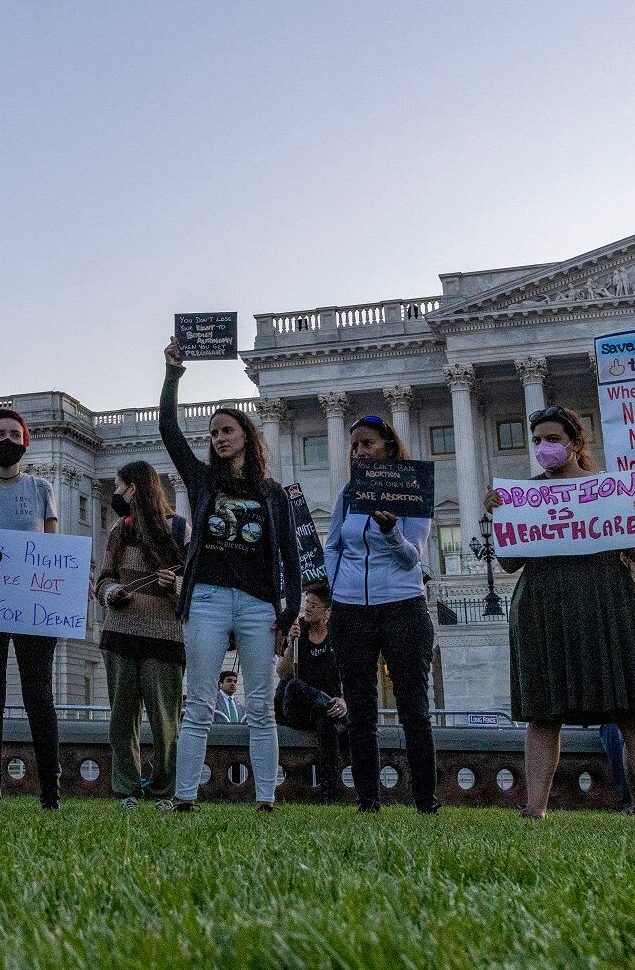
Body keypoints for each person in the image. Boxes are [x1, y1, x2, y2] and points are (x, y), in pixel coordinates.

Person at [485, 406, 635, 821]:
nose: (543, 448)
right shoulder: (522, 496)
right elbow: (509, 563)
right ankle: (535, 808)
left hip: (606, 603)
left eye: (552, 439)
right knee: (542, 714)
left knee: (633, 710)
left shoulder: (610, 489)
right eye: (536, 440)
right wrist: (497, 516)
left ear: (575, 443)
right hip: (544, 607)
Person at [161, 336, 301, 812]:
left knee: (260, 706)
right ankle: (184, 796)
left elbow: (290, 555)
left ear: (246, 435)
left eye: (227, 431)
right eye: (214, 434)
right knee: (198, 702)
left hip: (258, 601)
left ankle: (266, 797)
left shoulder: (271, 493)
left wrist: (291, 610)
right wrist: (173, 375)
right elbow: (168, 432)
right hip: (208, 598)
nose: (219, 438)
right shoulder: (202, 482)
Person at [325, 413, 438, 813]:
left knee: (413, 706)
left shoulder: (411, 490)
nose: (358, 452)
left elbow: (413, 559)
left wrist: (391, 534)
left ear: (388, 447)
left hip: (403, 606)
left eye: (366, 444)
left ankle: (425, 799)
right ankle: (367, 798)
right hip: (351, 609)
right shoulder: (347, 494)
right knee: (359, 708)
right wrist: (335, 588)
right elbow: (334, 543)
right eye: (354, 446)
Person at [0, 407, 62, 809]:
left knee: (39, 695)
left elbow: (54, 550)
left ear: (25, 441)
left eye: (13, 434)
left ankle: (50, 790)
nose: (6, 440)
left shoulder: (41, 488)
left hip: (34, 606)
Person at [95, 459, 187, 809]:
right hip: (119, 633)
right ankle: (127, 789)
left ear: (135, 488)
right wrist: (112, 592)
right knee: (122, 719)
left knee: (166, 722)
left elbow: (195, 585)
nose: (115, 493)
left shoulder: (178, 528)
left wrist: (174, 584)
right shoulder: (120, 529)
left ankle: (165, 790)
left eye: (119, 486)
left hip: (165, 638)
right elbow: (103, 579)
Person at [276, 586, 349, 803]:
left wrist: (344, 700)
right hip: (297, 707)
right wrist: (291, 644)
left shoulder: (337, 636)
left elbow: (349, 674)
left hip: (324, 711)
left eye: (314, 604)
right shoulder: (298, 630)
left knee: (326, 723)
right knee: (295, 685)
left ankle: (328, 794)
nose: (307, 608)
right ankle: (330, 706)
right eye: (306, 602)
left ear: (327, 612)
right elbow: (283, 673)